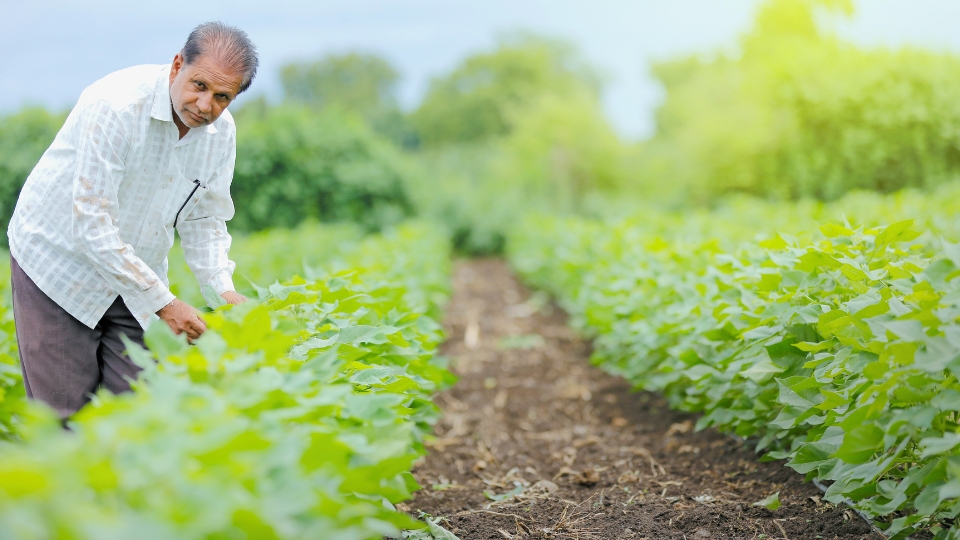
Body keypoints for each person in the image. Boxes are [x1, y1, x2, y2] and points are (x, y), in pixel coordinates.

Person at [6, 22, 258, 419]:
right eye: (199, 85)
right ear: (178, 65)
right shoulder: (116, 106)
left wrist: (221, 290)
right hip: (59, 263)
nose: (204, 105)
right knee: (64, 417)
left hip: (137, 271)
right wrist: (165, 303)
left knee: (138, 413)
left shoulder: (220, 135)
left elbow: (204, 217)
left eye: (221, 97)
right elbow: (92, 224)